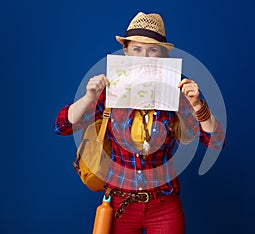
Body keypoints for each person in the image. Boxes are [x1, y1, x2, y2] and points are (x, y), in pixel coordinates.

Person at [54, 12, 224, 234]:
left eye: (152, 50)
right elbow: (62, 126)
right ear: (126, 52)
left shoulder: (175, 94)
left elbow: (216, 142)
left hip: (163, 206)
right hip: (119, 206)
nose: (144, 56)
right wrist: (88, 97)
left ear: (162, 55)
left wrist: (197, 104)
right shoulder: (109, 94)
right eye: (136, 49)